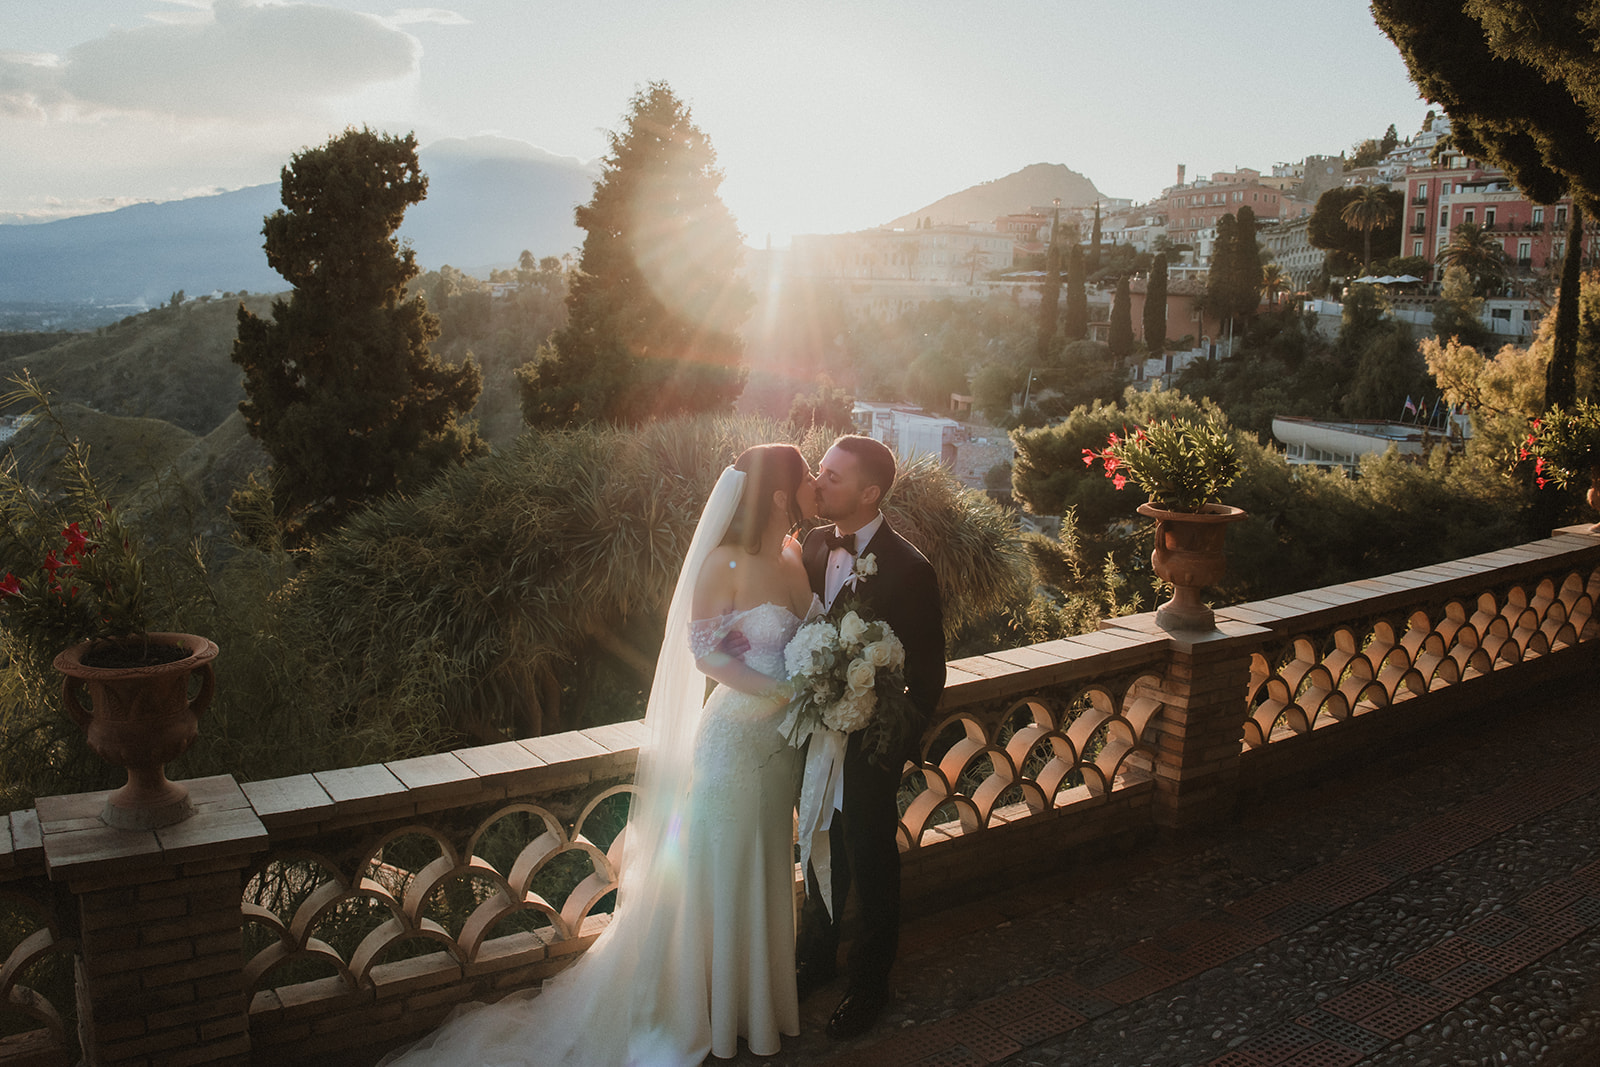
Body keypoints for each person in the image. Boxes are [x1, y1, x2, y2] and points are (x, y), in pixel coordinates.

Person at [381, 444, 818, 1066]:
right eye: (806, 476)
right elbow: (705, 654)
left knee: (768, 863)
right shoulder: (723, 562)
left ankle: (754, 1009)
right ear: (780, 494)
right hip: (734, 744)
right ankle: (707, 1014)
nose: (812, 485)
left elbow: (810, 636)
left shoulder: (795, 555)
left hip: (781, 751)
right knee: (722, 871)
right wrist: (781, 692)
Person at [794, 434, 946, 1040]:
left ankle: (870, 983)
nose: (818, 481)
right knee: (815, 846)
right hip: (813, 736)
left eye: (832, 476)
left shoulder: (911, 568)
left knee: (872, 859)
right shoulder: (811, 544)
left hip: (870, 748)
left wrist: (889, 747)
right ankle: (815, 959)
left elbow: (929, 674)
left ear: (869, 492)